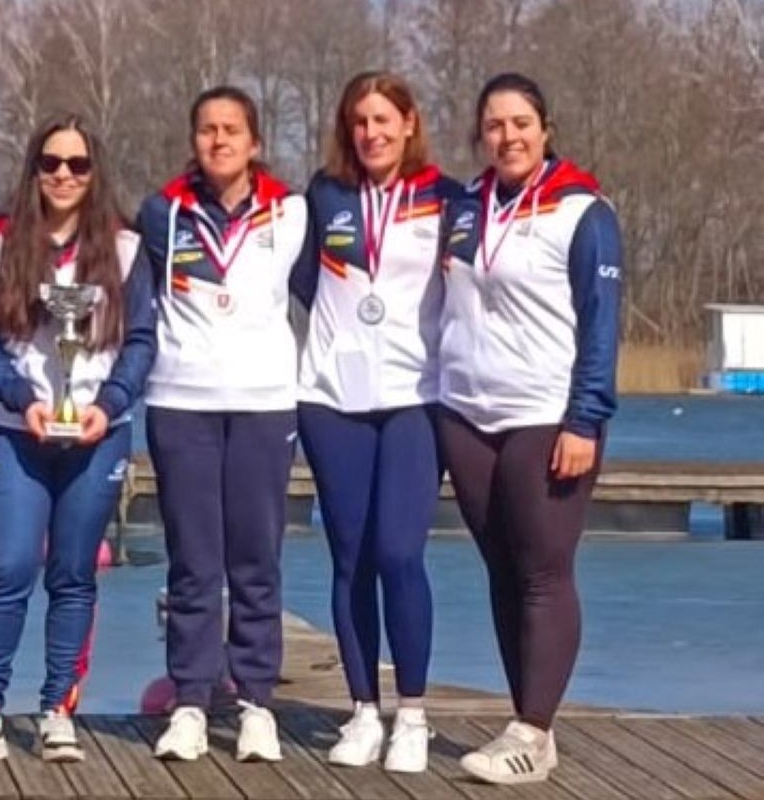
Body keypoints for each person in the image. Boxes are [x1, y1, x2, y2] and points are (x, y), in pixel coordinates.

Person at [0, 114, 156, 765]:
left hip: (99, 433)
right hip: (16, 431)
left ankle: (58, 710)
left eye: (78, 165)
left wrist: (111, 403)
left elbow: (142, 341)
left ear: (95, 174)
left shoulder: (125, 248)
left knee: (71, 575)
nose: (64, 175)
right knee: (8, 568)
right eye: (52, 162)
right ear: (34, 168)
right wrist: (19, 397)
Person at [437, 72, 622, 784]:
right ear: (480, 134)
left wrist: (586, 418)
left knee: (544, 573)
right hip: (468, 414)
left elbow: (602, 327)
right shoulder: (463, 205)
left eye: (520, 123)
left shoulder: (583, 211)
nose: (507, 136)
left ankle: (532, 729)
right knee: (503, 572)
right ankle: (528, 723)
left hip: (545, 415)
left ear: (545, 128)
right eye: (494, 124)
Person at [290, 71, 459, 772]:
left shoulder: (447, 197)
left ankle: (412, 714)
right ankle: (363, 711)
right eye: (360, 121)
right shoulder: (324, 195)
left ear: (411, 123)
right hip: (333, 398)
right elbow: (302, 283)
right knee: (351, 555)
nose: (372, 133)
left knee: (399, 552)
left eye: (385, 119)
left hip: (415, 397)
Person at [136, 86, 308, 763]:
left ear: (254, 142)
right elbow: (136, 303)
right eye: (207, 129)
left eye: (231, 129)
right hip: (181, 401)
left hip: (265, 402)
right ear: (194, 140)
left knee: (255, 560)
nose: (219, 140)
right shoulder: (162, 213)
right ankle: (190, 702)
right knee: (193, 563)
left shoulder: (292, 211)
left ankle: (257, 702)